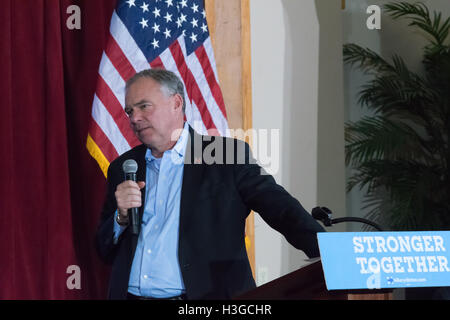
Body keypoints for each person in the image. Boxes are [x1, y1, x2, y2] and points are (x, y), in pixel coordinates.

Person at [95, 69, 325, 300]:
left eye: (144, 106)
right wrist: (121, 218)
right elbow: (103, 249)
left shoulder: (225, 155)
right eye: (129, 111)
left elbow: (280, 207)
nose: (134, 118)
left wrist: (330, 253)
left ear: (176, 103)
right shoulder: (124, 167)